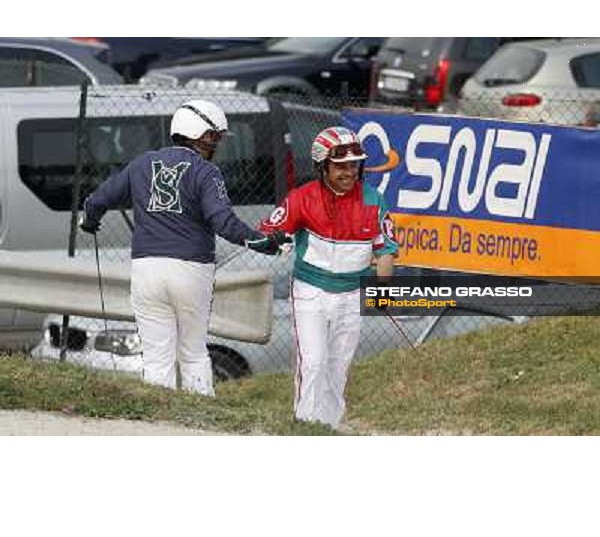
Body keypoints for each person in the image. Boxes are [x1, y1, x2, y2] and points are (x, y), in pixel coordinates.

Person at [79, 99, 289, 396]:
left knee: (156, 359)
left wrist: (90, 221)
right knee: (192, 353)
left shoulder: (142, 163)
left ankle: (158, 426)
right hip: (191, 269)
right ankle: (201, 422)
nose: (217, 144)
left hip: (146, 270)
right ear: (199, 133)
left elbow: (98, 200)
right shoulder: (206, 172)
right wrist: (265, 243)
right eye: (214, 136)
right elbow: (224, 222)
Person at [259, 126, 398, 429]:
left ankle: (329, 428)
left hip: (352, 295)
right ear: (322, 165)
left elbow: (386, 250)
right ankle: (306, 425)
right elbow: (267, 231)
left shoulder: (375, 200)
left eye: (354, 165)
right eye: (341, 166)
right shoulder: (301, 198)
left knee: (338, 366)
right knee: (314, 362)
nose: (349, 172)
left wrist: (383, 290)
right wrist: (277, 241)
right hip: (310, 291)